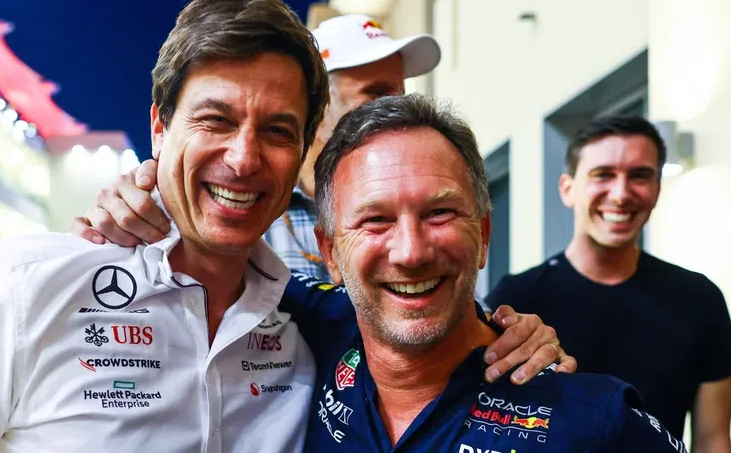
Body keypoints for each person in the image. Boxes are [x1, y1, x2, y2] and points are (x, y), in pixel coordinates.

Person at [0, 0, 567, 453]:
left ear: (301, 149)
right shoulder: (15, 289)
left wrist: (507, 335)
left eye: (276, 130)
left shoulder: (307, 326)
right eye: (215, 120)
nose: (244, 159)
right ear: (160, 127)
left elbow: (416, 327)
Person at [272, 94, 687, 451]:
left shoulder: (596, 422)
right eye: (376, 220)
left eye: (440, 212)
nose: (411, 253)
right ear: (330, 251)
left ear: (484, 234)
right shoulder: (315, 322)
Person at [75, 13, 440, 283]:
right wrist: (123, 216)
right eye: (377, 95)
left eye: (400, 94)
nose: (243, 160)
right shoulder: (243, 203)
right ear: (319, 106)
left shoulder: (415, 201)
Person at [484, 115, 731, 451]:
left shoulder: (699, 299)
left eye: (639, 175)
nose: (620, 194)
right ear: (567, 189)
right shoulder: (516, 299)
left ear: (657, 189)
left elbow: (713, 440)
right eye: (603, 174)